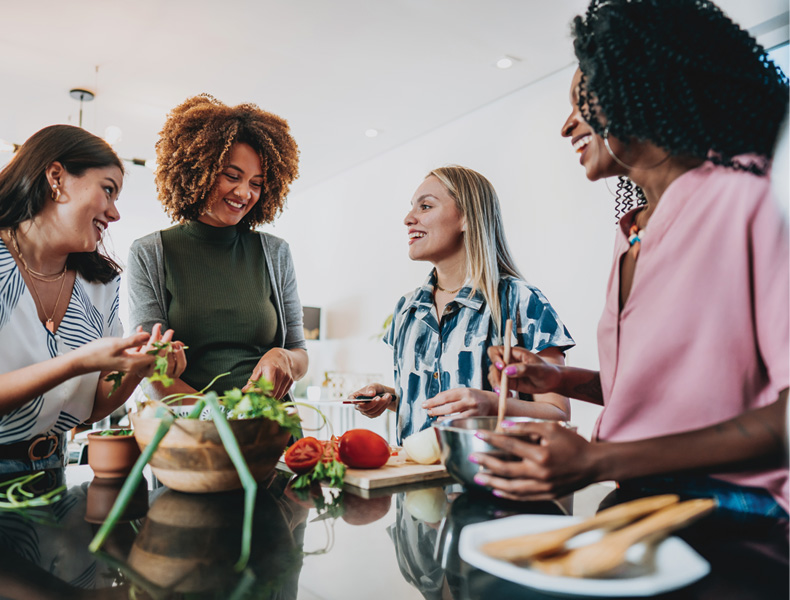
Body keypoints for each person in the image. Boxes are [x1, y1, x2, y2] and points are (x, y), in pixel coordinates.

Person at [473, 0, 789, 517]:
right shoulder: (632, 231)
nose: (566, 126)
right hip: (633, 505)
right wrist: (560, 380)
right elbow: (661, 398)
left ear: (640, 87)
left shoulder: (749, 198)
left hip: (736, 519)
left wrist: (600, 460)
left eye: (582, 101)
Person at [0, 125, 185, 472]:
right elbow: (81, 365)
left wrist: (136, 370)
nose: (115, 214)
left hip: (53, 470)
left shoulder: (101, 284)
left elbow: (95, 407)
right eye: (108, 191)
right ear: (56, 177)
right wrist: (77, 361)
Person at [350, 166, 574, 442]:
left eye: (425, 206)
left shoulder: (522, 301)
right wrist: (390, 398)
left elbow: (557, 413)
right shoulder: (406, 309)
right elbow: (431, 401)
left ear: (467, 217)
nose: (408, 219)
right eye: (412, 208)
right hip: (414, 482)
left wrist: (491, 406)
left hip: (495, 481)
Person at [127, 94, 308, 401]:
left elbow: (299, 354)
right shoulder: (150, 253)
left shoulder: (275, 253)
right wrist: (220, 419)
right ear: (199, 170)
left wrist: (283, 357)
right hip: (192, 431)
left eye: (256, 183)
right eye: (232, 176)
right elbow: (150, 370)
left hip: (268, 426)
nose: (244, 193)